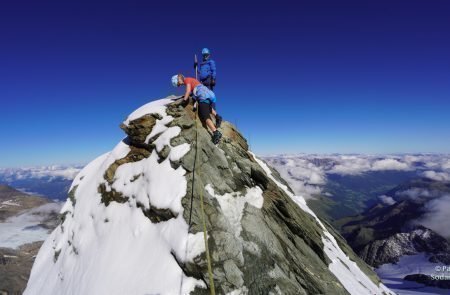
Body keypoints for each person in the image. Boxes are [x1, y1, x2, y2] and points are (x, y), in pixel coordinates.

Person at [171, 74, 222, 144]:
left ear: (179, 78)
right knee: (207, 107)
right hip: (208, 93)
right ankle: (217, 117)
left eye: (177, 83)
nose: (179, 85)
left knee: (204, 115)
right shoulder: (191, 80)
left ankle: (216, 133)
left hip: (202, 94)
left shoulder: (187, 80)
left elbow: (188, 91)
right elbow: (194, 88)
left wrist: (184, 101)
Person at [195, 48, 222, 127]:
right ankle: (208, 111)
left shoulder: (211, 62)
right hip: (202, 82)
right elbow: (200, 73)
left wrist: (213, 79)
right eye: (204, 55)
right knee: (204, 97)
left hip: (208, 80)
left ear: (209, 55)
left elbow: (214, 70)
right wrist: (196, 67)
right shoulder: (201, 64)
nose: (205, 56)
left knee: (209, 97)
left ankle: (215, 115)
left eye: (207, 55)